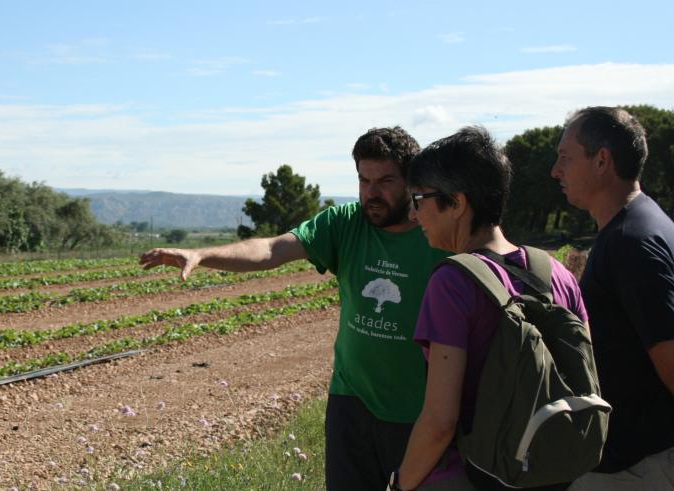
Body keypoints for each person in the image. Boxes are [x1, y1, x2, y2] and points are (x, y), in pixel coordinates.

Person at [140, 126, 448, 490]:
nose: (371, 193)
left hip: (418, 409)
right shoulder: (345, 222)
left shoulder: (437, 233)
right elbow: (273, 249)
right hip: (352, 401)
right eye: (364, 180)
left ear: (411, 182)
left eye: (384, 181)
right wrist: (202, 254)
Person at [394, 127, 588, 490]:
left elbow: (440, 422)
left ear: (457, 203)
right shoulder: (557, 273)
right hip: (554, 472)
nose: (414, 214)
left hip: (485, 474)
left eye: (419, 199)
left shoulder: (452, 284)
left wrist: (399, 483)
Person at [551, 106, 674, 490]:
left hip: (640, 465)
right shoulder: (641, 223)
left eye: (566, 158)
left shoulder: (632, 243)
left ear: (602, 160)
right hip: (634, 460)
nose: (556, 171)